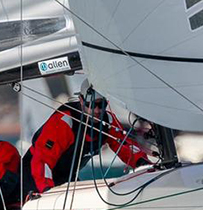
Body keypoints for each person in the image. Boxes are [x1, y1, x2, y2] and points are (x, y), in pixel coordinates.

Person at [19, 81, 150, 199]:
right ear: (81, 101)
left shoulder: (107, 121)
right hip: (34, 177)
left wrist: (143, 164)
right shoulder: (65, 123)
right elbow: (42, 159)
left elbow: (125, 146)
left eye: (102, 104)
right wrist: (47, 191)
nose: (97, 110)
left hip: (66, 178)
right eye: (91, 104)